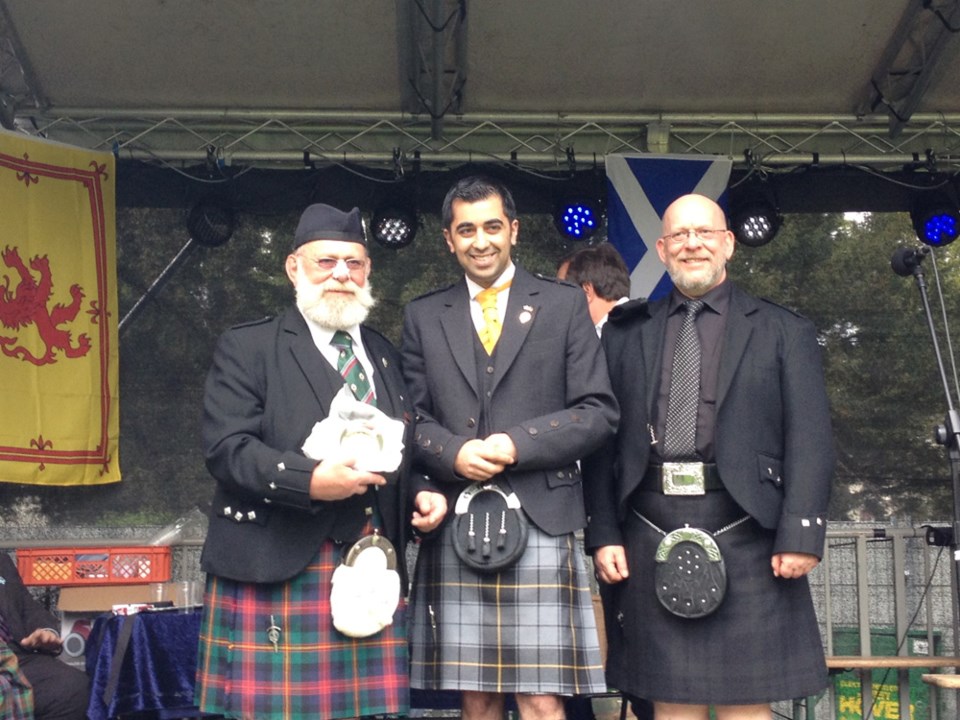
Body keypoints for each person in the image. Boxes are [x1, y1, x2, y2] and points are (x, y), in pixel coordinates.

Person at [582, 193, 834, 720]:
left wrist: (801, 534)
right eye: (679, 235)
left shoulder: (782, 330)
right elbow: (601, 443)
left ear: (728, 245)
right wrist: (603, 532)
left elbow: (809, 439)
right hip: (649, 524)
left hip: (747, 528)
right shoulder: (626, 335)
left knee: (747, 706)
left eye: (704, 233)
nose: (692, 244)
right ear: (662, 248)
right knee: (671, 705)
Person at [196, 203, 447, 720]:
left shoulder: (384, 355)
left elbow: (406, 441)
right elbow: (227, 449)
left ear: (368, 271)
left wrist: (419, 489)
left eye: (353, 263)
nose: (340, 275)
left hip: (372, 567)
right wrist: (311, 481)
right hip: (280, 561)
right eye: (325, 261)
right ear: (294, 268)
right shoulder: (250, 346)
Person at [401, 175, 620, 720]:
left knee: (541, 699)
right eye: (467, 229)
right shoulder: (423, 315)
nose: (481, 241)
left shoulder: (566, 303)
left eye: (493, 227)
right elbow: (408, 418)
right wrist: (451, 451)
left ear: (514, 231)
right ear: (449, 239)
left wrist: (516, 443)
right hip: (457, 522)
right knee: (476, 698)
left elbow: (598, 413)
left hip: (542, 516)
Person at [0, 552, 89, 720]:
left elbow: (27, 607)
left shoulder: (1, 560)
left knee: (74, 688)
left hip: (14, 654)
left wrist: (47, 632)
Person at [557, 243, 632, 337]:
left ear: (586, 291)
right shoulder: (595, 336)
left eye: (560, 288)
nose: (557, 298)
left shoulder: (640, 331)